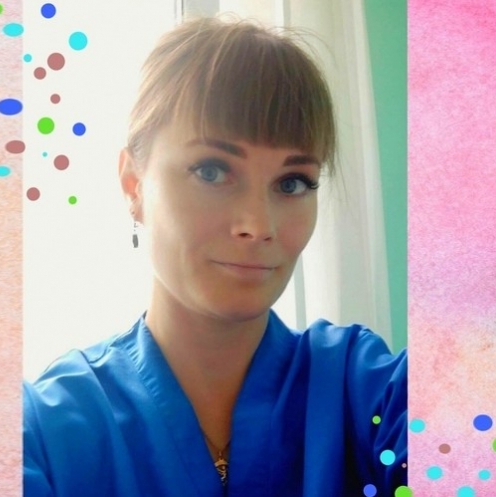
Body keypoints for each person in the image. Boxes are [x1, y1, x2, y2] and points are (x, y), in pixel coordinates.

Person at [23, 16, 407, 497]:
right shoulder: (44, 435)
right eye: (211, 171)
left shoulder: (366, 394)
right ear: (133, 185)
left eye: (292, 183)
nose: (259, 225)